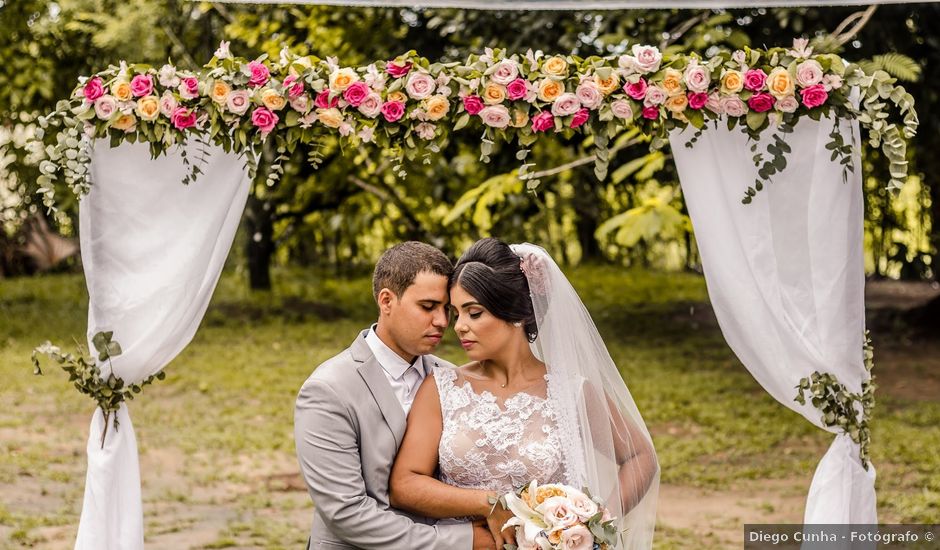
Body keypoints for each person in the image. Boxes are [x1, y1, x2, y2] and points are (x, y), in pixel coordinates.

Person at [389, 238, 660, 550]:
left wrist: (592, 524)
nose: (459, 326)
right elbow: (405, 484)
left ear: (515, 313)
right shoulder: (443, 387)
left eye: (474, 313)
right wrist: (489, 503)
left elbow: (641, 458)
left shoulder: (571, 392)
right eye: (456, 313)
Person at [294, 241, 495, 550]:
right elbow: (347, 513)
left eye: (446, 310)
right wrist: (464, 541)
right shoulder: (328, 390)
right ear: (386, 301)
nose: (442, 322)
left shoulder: (450, 377)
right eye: (428, 307)